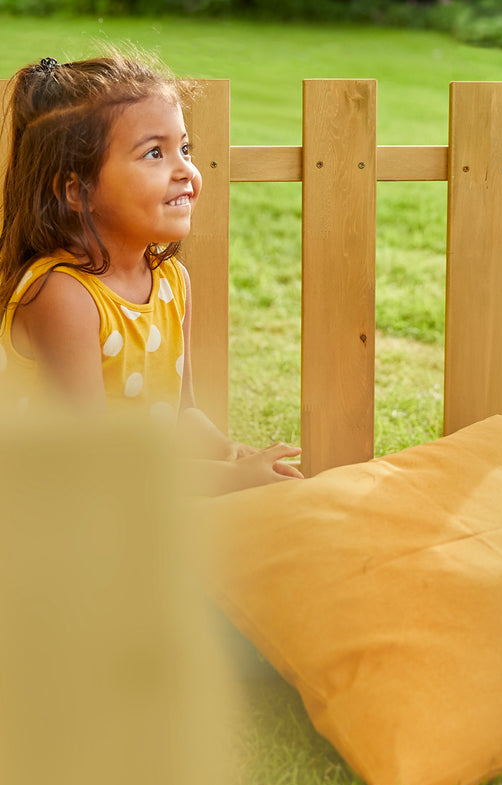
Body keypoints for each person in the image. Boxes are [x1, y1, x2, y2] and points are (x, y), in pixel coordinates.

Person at [0, 53, 300, 493]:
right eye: (154, 153)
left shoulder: (172, 281)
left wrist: (227, 451)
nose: (186, 170)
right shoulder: (63, 296)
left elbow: (181, 414)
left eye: (184, 148)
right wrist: (229, 479)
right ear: (76, 190)